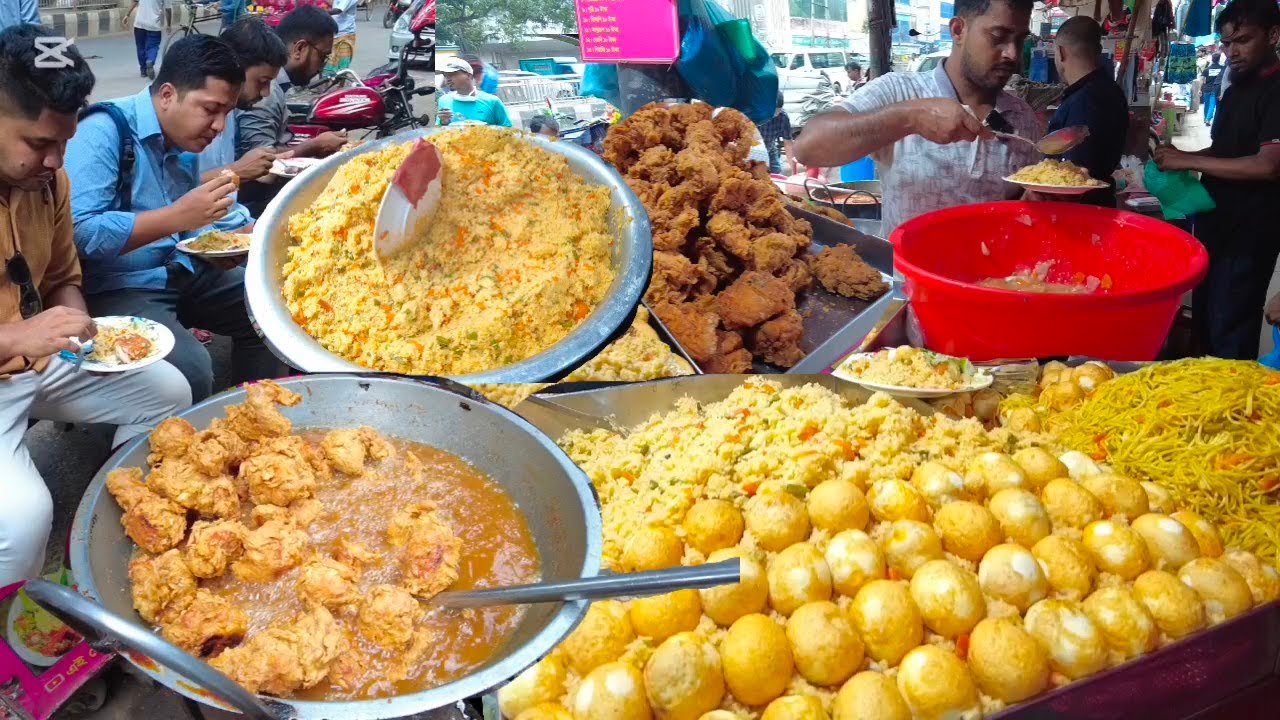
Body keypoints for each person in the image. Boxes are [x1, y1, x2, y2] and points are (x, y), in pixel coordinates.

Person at [0, 26, 191, 586]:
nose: (56, 160)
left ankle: (125, 519)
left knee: (168, 392)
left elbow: (63, 277)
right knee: (22, 520)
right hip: (14, 355)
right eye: (39, 143)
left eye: (65, 142)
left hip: (37, 362)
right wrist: (17, 337)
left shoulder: (48, 182)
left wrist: (84, 327)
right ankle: (15, 623)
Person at [65, 35, 285, 402]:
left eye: (227, 113)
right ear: (167, 94)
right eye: (211, 109)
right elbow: (80, 232)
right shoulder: (103, 130)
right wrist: (177, 217)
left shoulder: (183, 143)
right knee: (191, 372)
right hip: (121, 285)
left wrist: (222, 245)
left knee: (272, 311)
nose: (218, 126)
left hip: (182, 270)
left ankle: (255, 414)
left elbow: (193, 225)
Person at [794, 0, 1040, 236]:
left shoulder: (1022, 117)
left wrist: (1031, 202)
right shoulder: (899, 91)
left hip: (991, 266)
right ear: (958, 30)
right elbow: (808, 148)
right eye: (998, 36)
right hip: (906, 266)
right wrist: (909, 117)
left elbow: (1017, 203)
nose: (1013, 54)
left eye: (1020, 40)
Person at [1155, 0, 1280, 361]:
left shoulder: (1276, 91)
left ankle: (1231, 393)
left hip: (1250, 234)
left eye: (1243, 40)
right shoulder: (1237, 88)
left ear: (1273, 35)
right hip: (1216, 224)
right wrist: (1182, 157)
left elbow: (1268, 165)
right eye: (1226, 43)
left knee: (1231, 328)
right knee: (1207, 321)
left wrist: (1187, 160)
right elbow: (1225, 151)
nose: (1232, 52)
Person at [236, 6, 346, 215]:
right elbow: (260, 167)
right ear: (300, 49)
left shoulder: (273, 86)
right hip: (252, 203)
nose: (322, 68)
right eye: (322, 57)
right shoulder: (266, 92)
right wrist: (314, 145)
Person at [198, 17, 288, 190]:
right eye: (262, 82)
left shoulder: (233, 109)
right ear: (235, 69)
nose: (266, 93)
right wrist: (237, 171)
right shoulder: (194, 115)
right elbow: (178, 189)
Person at [1047, 16, 1128, 207]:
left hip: (1080, 211)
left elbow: (1073, 174)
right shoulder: (1111, 90)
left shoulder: (1083, 101)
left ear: (1061, 52)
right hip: (1102, 204)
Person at [437, 57, 512, 127]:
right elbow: (439, 130)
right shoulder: (444, 100)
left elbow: (507, 129)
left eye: (452, 74)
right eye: (445, 75)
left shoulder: (492, 101)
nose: (448, 79)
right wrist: (444, 122)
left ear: (469, 76)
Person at [758, 92, 797, 175]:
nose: (774, 115)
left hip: (769, 148)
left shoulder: (783, 117)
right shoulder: (752, 114)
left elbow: (788, 144)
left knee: (777, 173)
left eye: (777, 112)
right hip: (751, 150)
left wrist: (794, 171)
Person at [124, 0, 164, 80]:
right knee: (153, 46)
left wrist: (127, 15)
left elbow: (134, 1)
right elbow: (168, 9)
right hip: (154, 24)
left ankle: (143, 70)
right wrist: (169, 25)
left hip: (139, 23)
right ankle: (150, 60)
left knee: (140, 47)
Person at [326, 0, 359, 74]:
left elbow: (338, 10)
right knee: (329, 63)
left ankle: (341, 80)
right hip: (334, 33)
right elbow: (334, 3)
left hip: (345, 34)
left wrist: (320, 12)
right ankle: (328, 80)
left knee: (342, 65)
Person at [1201, 51, 1226, 123]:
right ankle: (1209, 119)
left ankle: (1206, 118)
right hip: (1216, 89)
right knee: (1213, 105)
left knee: (1207, 104)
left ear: (1212, 59)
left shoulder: (1207, 69)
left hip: (1207, 89)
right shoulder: (1222, 69)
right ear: (1219, 59)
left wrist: (1200, 90)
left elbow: (1202, 80)